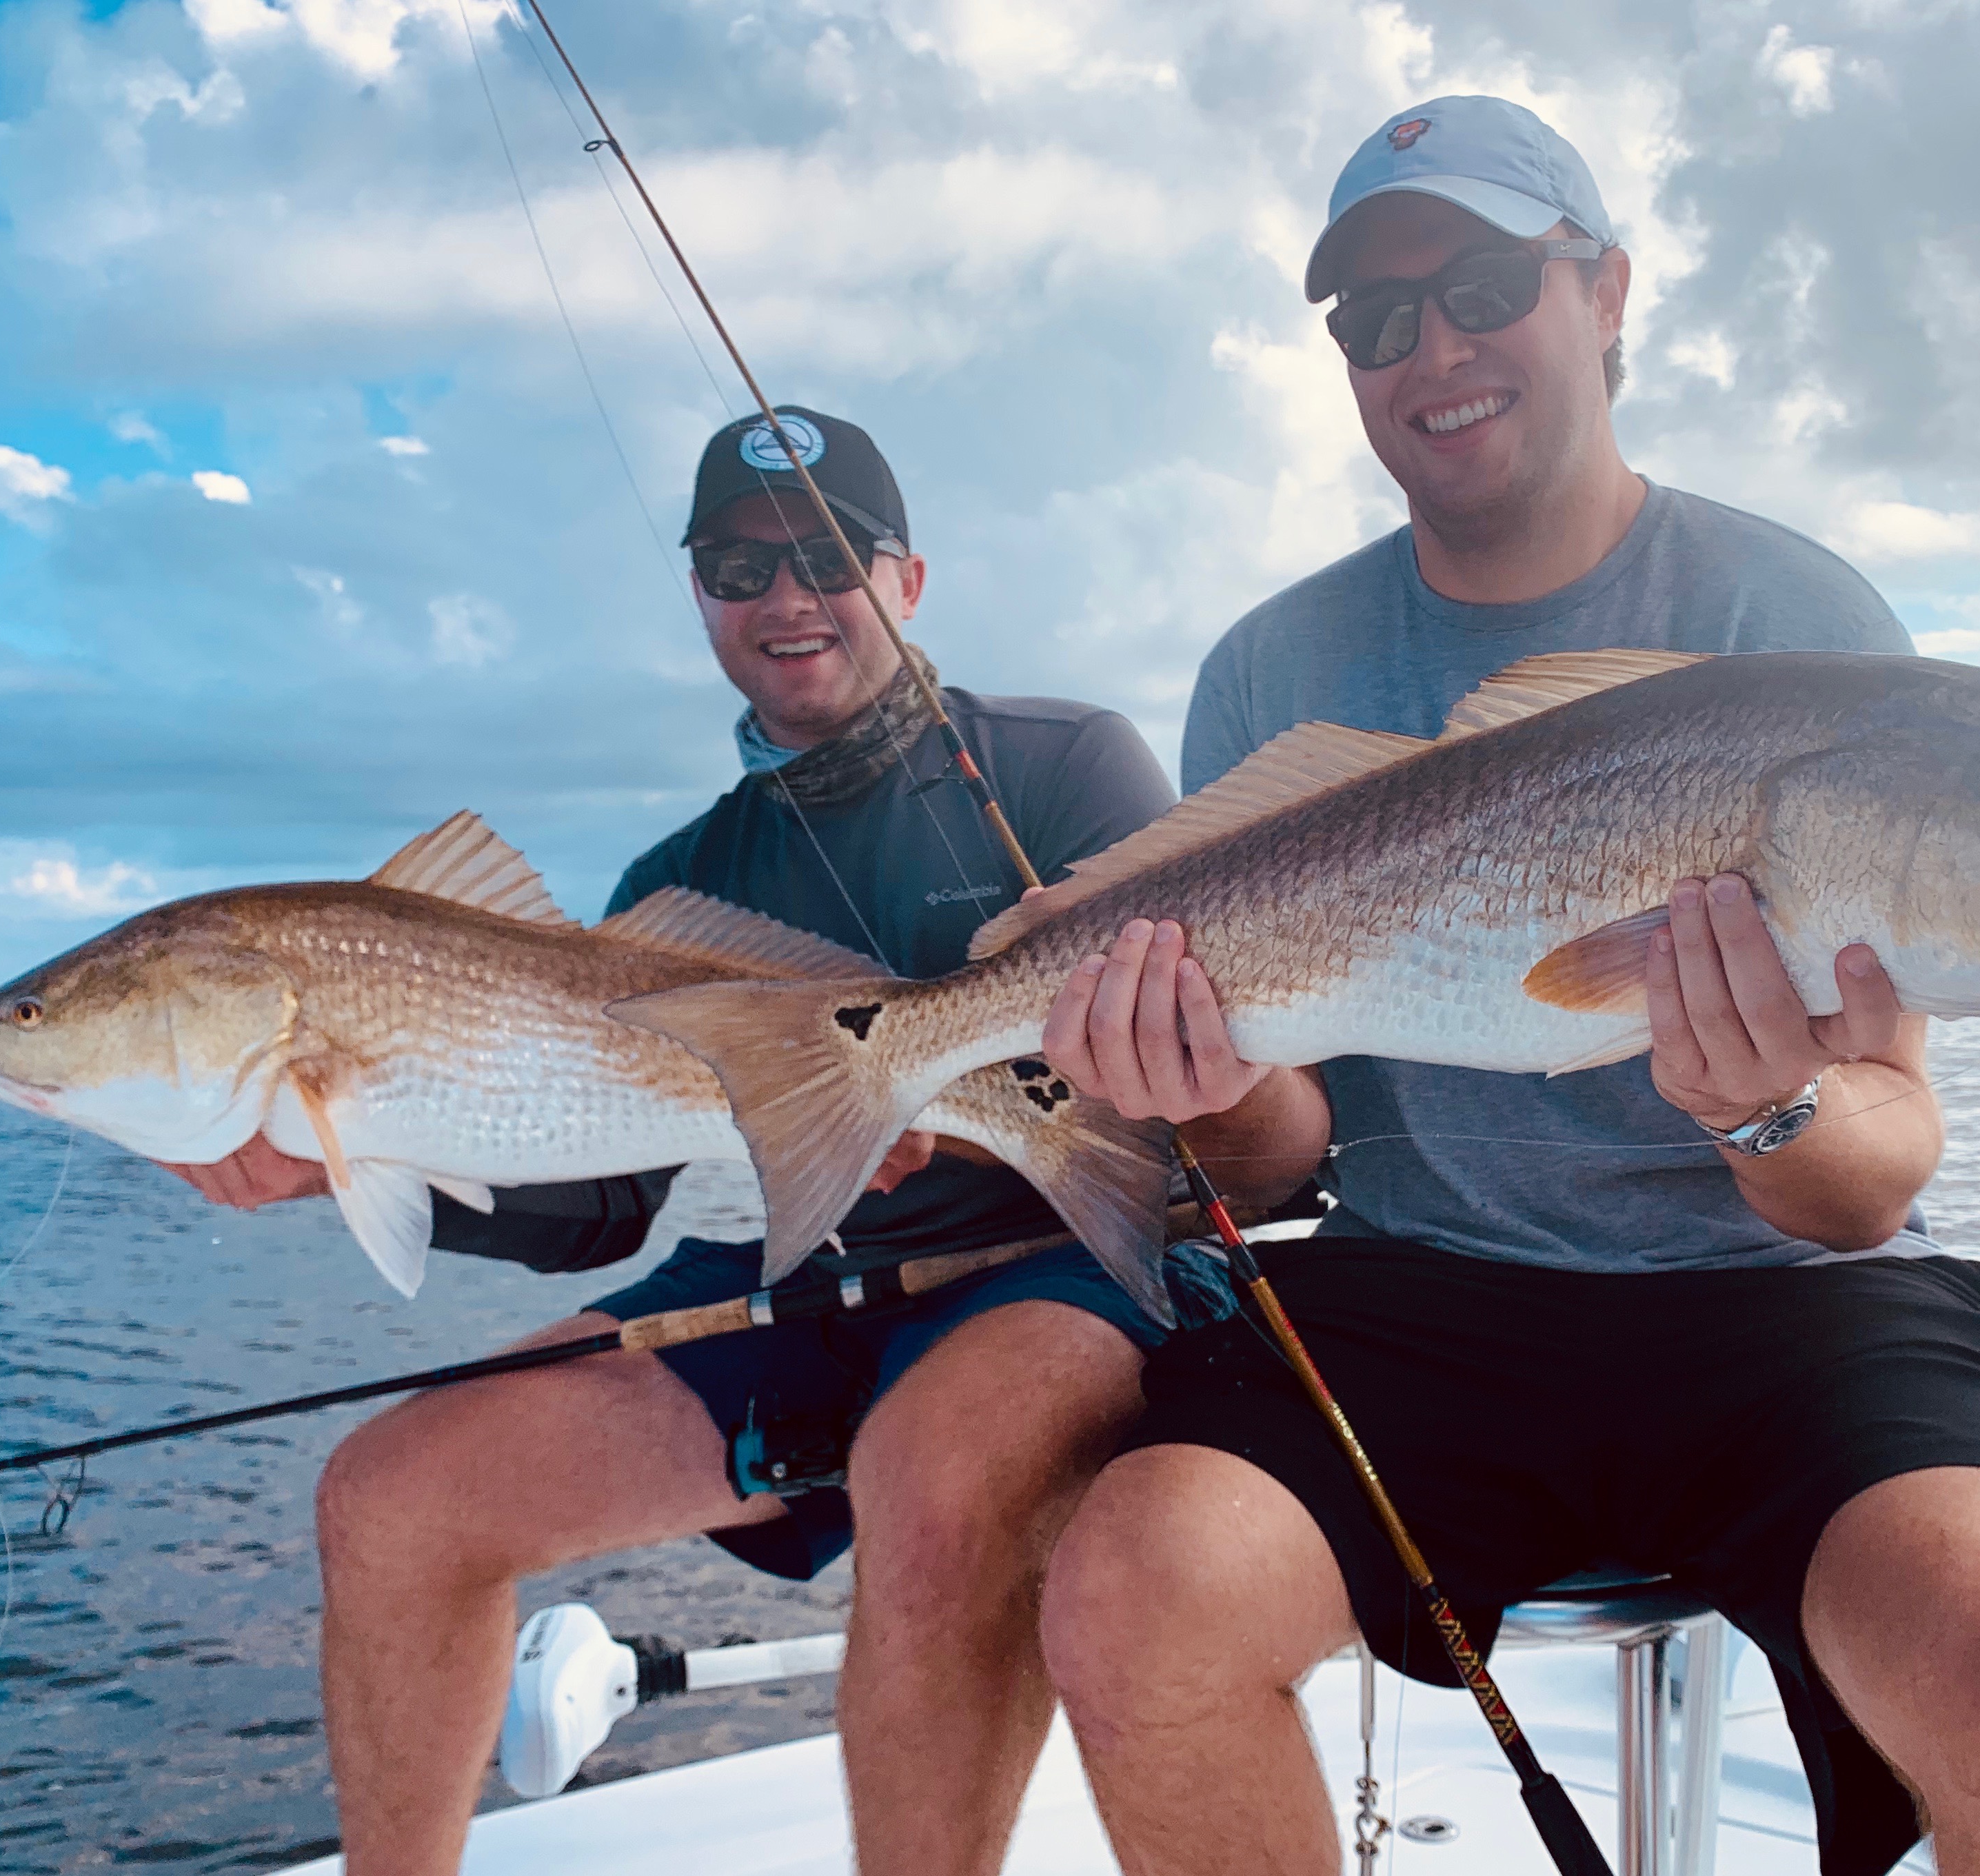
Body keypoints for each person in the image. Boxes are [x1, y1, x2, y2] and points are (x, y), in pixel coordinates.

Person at [1035, 97, 1980, 1875]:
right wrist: (1199, 1086)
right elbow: (1281, 1162)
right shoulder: (1271, 667)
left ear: (1604, 293)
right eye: (1376, 318)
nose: (1432, 346)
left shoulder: (1790, 618)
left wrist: (1764, 1102)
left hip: (1773, 1304)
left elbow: (1872, 1173)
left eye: (1485, 283)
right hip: (1419, 1288)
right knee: (1130, 1584)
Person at [161, 407, 1226, 1876]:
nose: (785, 595)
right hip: (790, 1269)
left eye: (827, 555)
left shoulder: (1063, 764)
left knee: (935, 1476)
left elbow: (1186, 1063)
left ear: (907, 581)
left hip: (1052, 1263)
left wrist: (923, 1126)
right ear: (703, 598)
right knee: (389, 1491)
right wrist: (324, 1157)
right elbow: (605, 1205)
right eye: (738, 565)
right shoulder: (672, 880)